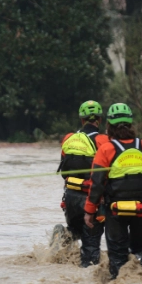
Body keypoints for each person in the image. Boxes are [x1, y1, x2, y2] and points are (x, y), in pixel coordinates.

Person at [84, 103, 142, 280]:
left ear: (108, 126)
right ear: (131, 125)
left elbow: (97, 183)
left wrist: (89, 210)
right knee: (140, 251)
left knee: (117, 255)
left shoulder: (105, 150)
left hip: (115, 210)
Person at [57, 100, 109, 267]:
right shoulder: (104, 140)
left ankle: (63, 238)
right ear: (99, 120)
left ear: (81, 120)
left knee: (75, 231)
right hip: (91, 200)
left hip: (70, 198)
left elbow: (64, 169)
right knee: (91, 248)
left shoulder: (68, 138)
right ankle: (87, 283)